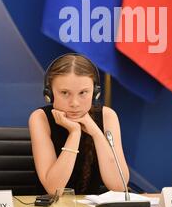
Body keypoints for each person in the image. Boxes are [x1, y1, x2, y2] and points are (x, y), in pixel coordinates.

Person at [29, 53, 129, 195]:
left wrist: (95, 132)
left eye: (83, 92)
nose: (74, 103)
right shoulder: (40, 118)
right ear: (49, 94)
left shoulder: (108, 116)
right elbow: (53, 189)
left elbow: (119, 186)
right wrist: (74, 133)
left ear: (95, 93)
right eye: (65, 93)